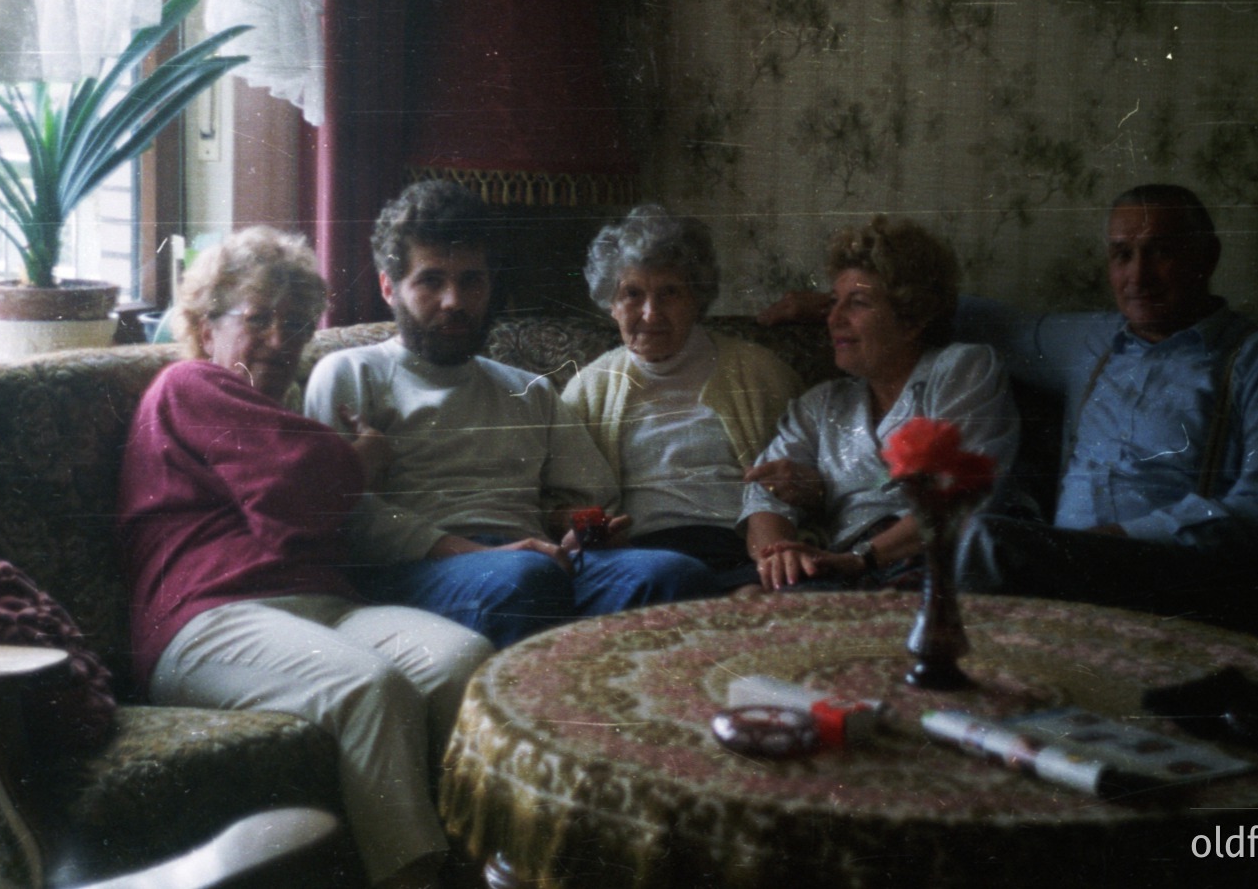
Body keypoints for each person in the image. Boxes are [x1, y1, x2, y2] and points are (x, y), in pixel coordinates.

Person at [116, 226, 492, 889]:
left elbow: (309, 495)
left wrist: (343, 467)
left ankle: (476, 869)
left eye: (294, 323)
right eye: (257, 319)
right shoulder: (188, 383)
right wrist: (362, 459)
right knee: (367, 687)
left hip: (320, 608)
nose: (279, 339)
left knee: (463, 660)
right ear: (206, 328)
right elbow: (294, 482)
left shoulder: (282, 413)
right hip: (206, 621)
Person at [760, 184, 1258, 611]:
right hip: (1064, 563)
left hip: (1177, 564)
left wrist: (1124, 535)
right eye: (1122, 255)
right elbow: (957, 308)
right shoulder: (1089, 341)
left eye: (1160, 253)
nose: (1138, 275)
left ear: (1207, 258)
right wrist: (846, 303)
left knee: (981, 539)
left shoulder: (1257, 358)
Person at [303, 181, 713, 649]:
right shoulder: (350, 372)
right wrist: (483, 552)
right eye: (431, 281)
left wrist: (583, 531)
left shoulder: (527, 388)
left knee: (674, 574)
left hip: (535, 562)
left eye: (471, 280)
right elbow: (342, 513)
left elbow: (591, 496)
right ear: (388, 288)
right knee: (525, 579)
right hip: (417, 573)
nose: (454, 301)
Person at [740, 216, 1022, 591]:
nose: (834, 319)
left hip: (935, 560)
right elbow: (763, 493)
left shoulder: (960, 369)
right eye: (833, 303)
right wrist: (777, 557)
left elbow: (960, 497)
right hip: (847, 570)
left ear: (912, 318)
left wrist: (862, 559)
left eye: (857, 304)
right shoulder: (823, 404)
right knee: (751, 599)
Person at [561, 205, 804, 591]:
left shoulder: (761, 373)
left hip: (739, 549)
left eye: (669, 293)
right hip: (639, 559)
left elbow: (803, 475)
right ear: (611, 302)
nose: (650, 312)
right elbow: (566, 499)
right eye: (632, 294)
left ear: (697, 299)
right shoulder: (587, 390)